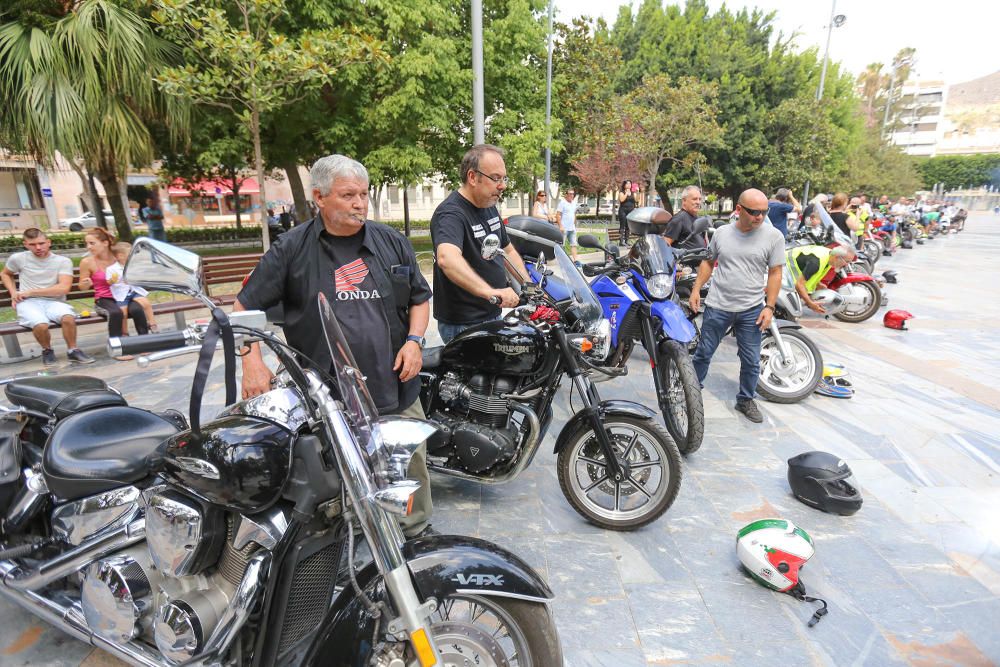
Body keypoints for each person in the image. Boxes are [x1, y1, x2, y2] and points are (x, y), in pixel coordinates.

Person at [236, 154, 434, 538]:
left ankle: (414, 531)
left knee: (408, 463)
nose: (360, 203)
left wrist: (414, 341)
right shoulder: (291, 249)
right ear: (319, 198)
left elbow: (419, 298)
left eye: (363, 194)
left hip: (394, 380)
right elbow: (244, 306)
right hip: (328, 391)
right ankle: (349, 536)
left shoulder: (391, 241)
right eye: (348, 195)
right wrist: (251, 362)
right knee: (339, 469)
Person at [689, 188, 785, 424]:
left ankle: (745, 399)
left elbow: (775, 273)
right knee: (702, 354)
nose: (759, 217)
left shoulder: (774, 237)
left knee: (752, 360)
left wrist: (769, 307)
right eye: (754, 212)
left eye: (764, 212)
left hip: (751, 309)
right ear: (739, 209)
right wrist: (695, 289)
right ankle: (690, 394)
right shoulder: (721, 233)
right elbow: (708, 262)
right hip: (718, 306)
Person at [431, 144, 528, 343]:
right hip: (464, 323)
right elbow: (447, 259)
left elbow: (507, 250)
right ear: (473, 177)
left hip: (491, 313)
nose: (502, 185)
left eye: (504, 178)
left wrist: (529, 286)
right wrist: (491, 292)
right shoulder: (451, 213)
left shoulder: (488, 206)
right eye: (495, 178)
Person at [1, 229, 95, 366]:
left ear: (49, 242)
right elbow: (5, 274)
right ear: (25, 244)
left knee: (68, 318)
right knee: (41, 325)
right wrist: (13, 293)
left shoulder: (62, 261)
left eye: (41, 243)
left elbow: (64, 288)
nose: (38, 247)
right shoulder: (18, 258)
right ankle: (47, 351)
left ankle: (73, 350)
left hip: (54, 301)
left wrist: (30, 292)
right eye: (33, 244)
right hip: (28, 303)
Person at [79, 228, 150, 359]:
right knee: (115, 313)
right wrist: (85, 284)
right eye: (87, 243)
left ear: (105, 243)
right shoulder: (87, 262)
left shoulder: (120, 256)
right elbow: (81, 287)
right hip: (104, 299)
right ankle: (118, 349)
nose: (88, 247)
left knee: (137, 309)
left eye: (92, 243)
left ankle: (144, 343)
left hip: (124, 295)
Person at [786, 243, 857, 314]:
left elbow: (812, 274)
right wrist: (810, 303)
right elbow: (799, 285)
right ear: (837, 257)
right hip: (783, 267)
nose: (847, 265)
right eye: (847, 261)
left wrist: (818, 284)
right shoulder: (816, 262)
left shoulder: (830, 257)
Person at [107, 242, 158, 333]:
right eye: (130, 253)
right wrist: (113, 280)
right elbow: (108, 282)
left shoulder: (132, 265)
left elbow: (139, 277)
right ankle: (125, 332)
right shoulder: (111, 269)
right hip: (121, 294)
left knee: (146, 303)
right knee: (123, 312)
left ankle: (152, 323)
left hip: (133, 291)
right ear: (120, 256)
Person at [663, 185, 708, 249]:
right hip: (687, 259)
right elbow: (665, 246)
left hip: (702, 257)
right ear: (684, 200)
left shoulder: (697, 218)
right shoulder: (678, 219)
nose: (698, 202)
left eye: (699, 199)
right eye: (694, 199)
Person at [556, 187, 580, 264]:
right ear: (566, 195)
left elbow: (574, 214)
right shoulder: (562, 203)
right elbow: (558, 215)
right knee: (561, 245)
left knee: (574, 244)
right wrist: (560, 226)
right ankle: (562, 261)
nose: (571, 195)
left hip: (572, 228)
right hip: (564, 228)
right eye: (570, 194)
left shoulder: (574, 203)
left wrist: (574, 224)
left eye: (573, 194)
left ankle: (576, 260)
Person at [617, 180, 637, 245]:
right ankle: (621, 241)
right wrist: (626, 193)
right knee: (622, 225)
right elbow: (622, 200)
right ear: (624, 185)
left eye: (630, 184)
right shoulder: (621, 192)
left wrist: (638, 192)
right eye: (627, 184)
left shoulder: (633, 193)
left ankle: (626, 241)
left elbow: (637, 200)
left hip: (630, 211)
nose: (629, 185)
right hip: (623, 211)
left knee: (628, 226)